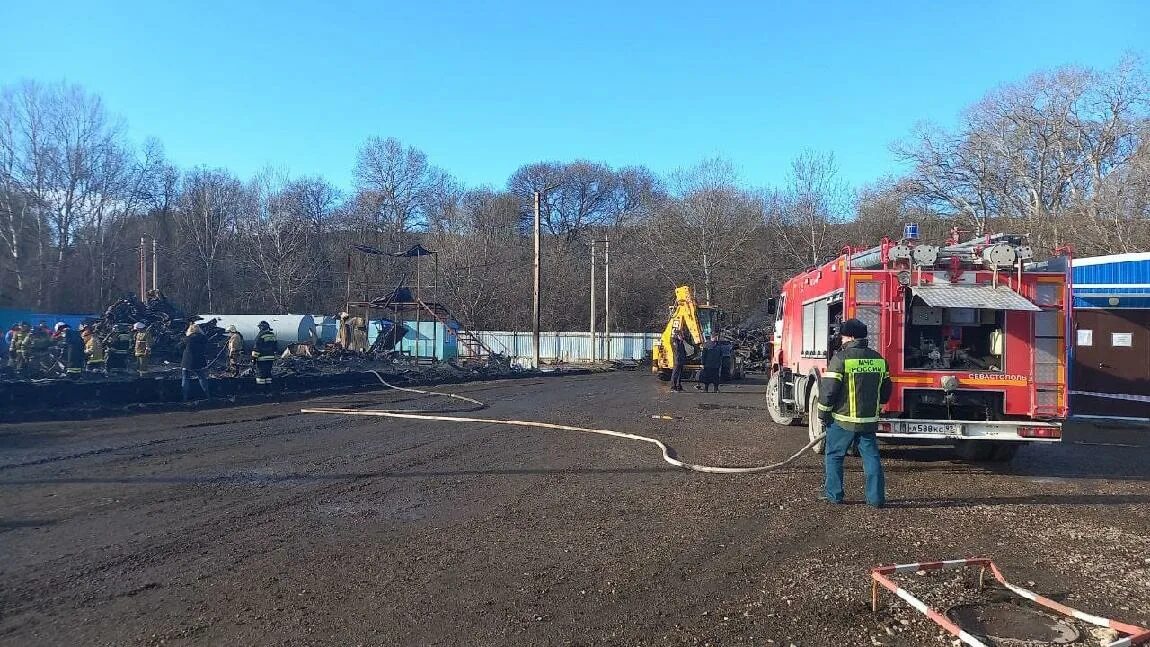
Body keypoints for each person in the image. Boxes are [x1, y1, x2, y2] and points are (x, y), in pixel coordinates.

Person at [816, 318, 892, 508]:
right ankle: (876, 499)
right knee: (871, 457)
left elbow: (829, 391)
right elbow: (886, 390)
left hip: (842, 420)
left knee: (834, 456)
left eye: (842, 336)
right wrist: (879, 406)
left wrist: (823, 414)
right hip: (868, 420)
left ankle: (834, 495)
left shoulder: (841, 359)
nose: (841, 340)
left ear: (849, 336)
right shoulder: (879, 359)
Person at [180, 323, 211, 401]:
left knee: (185, 378)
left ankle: (184, 397)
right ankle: (207, 395)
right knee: (202, 377)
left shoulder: (186, 339)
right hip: (199, 361)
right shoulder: (203, 338)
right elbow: (207, 348)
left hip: (186, 362)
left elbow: (179, 347)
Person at [252, 321, 277, 386]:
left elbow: (257, 347)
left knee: (261, 374)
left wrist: (254, 358)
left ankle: (261, 388)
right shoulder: (272, 335)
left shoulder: (261, 335)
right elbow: (275, 346)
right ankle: (268, 387)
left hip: (262, 358)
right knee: (268, 373)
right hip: (271, 358)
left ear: (261, 327)